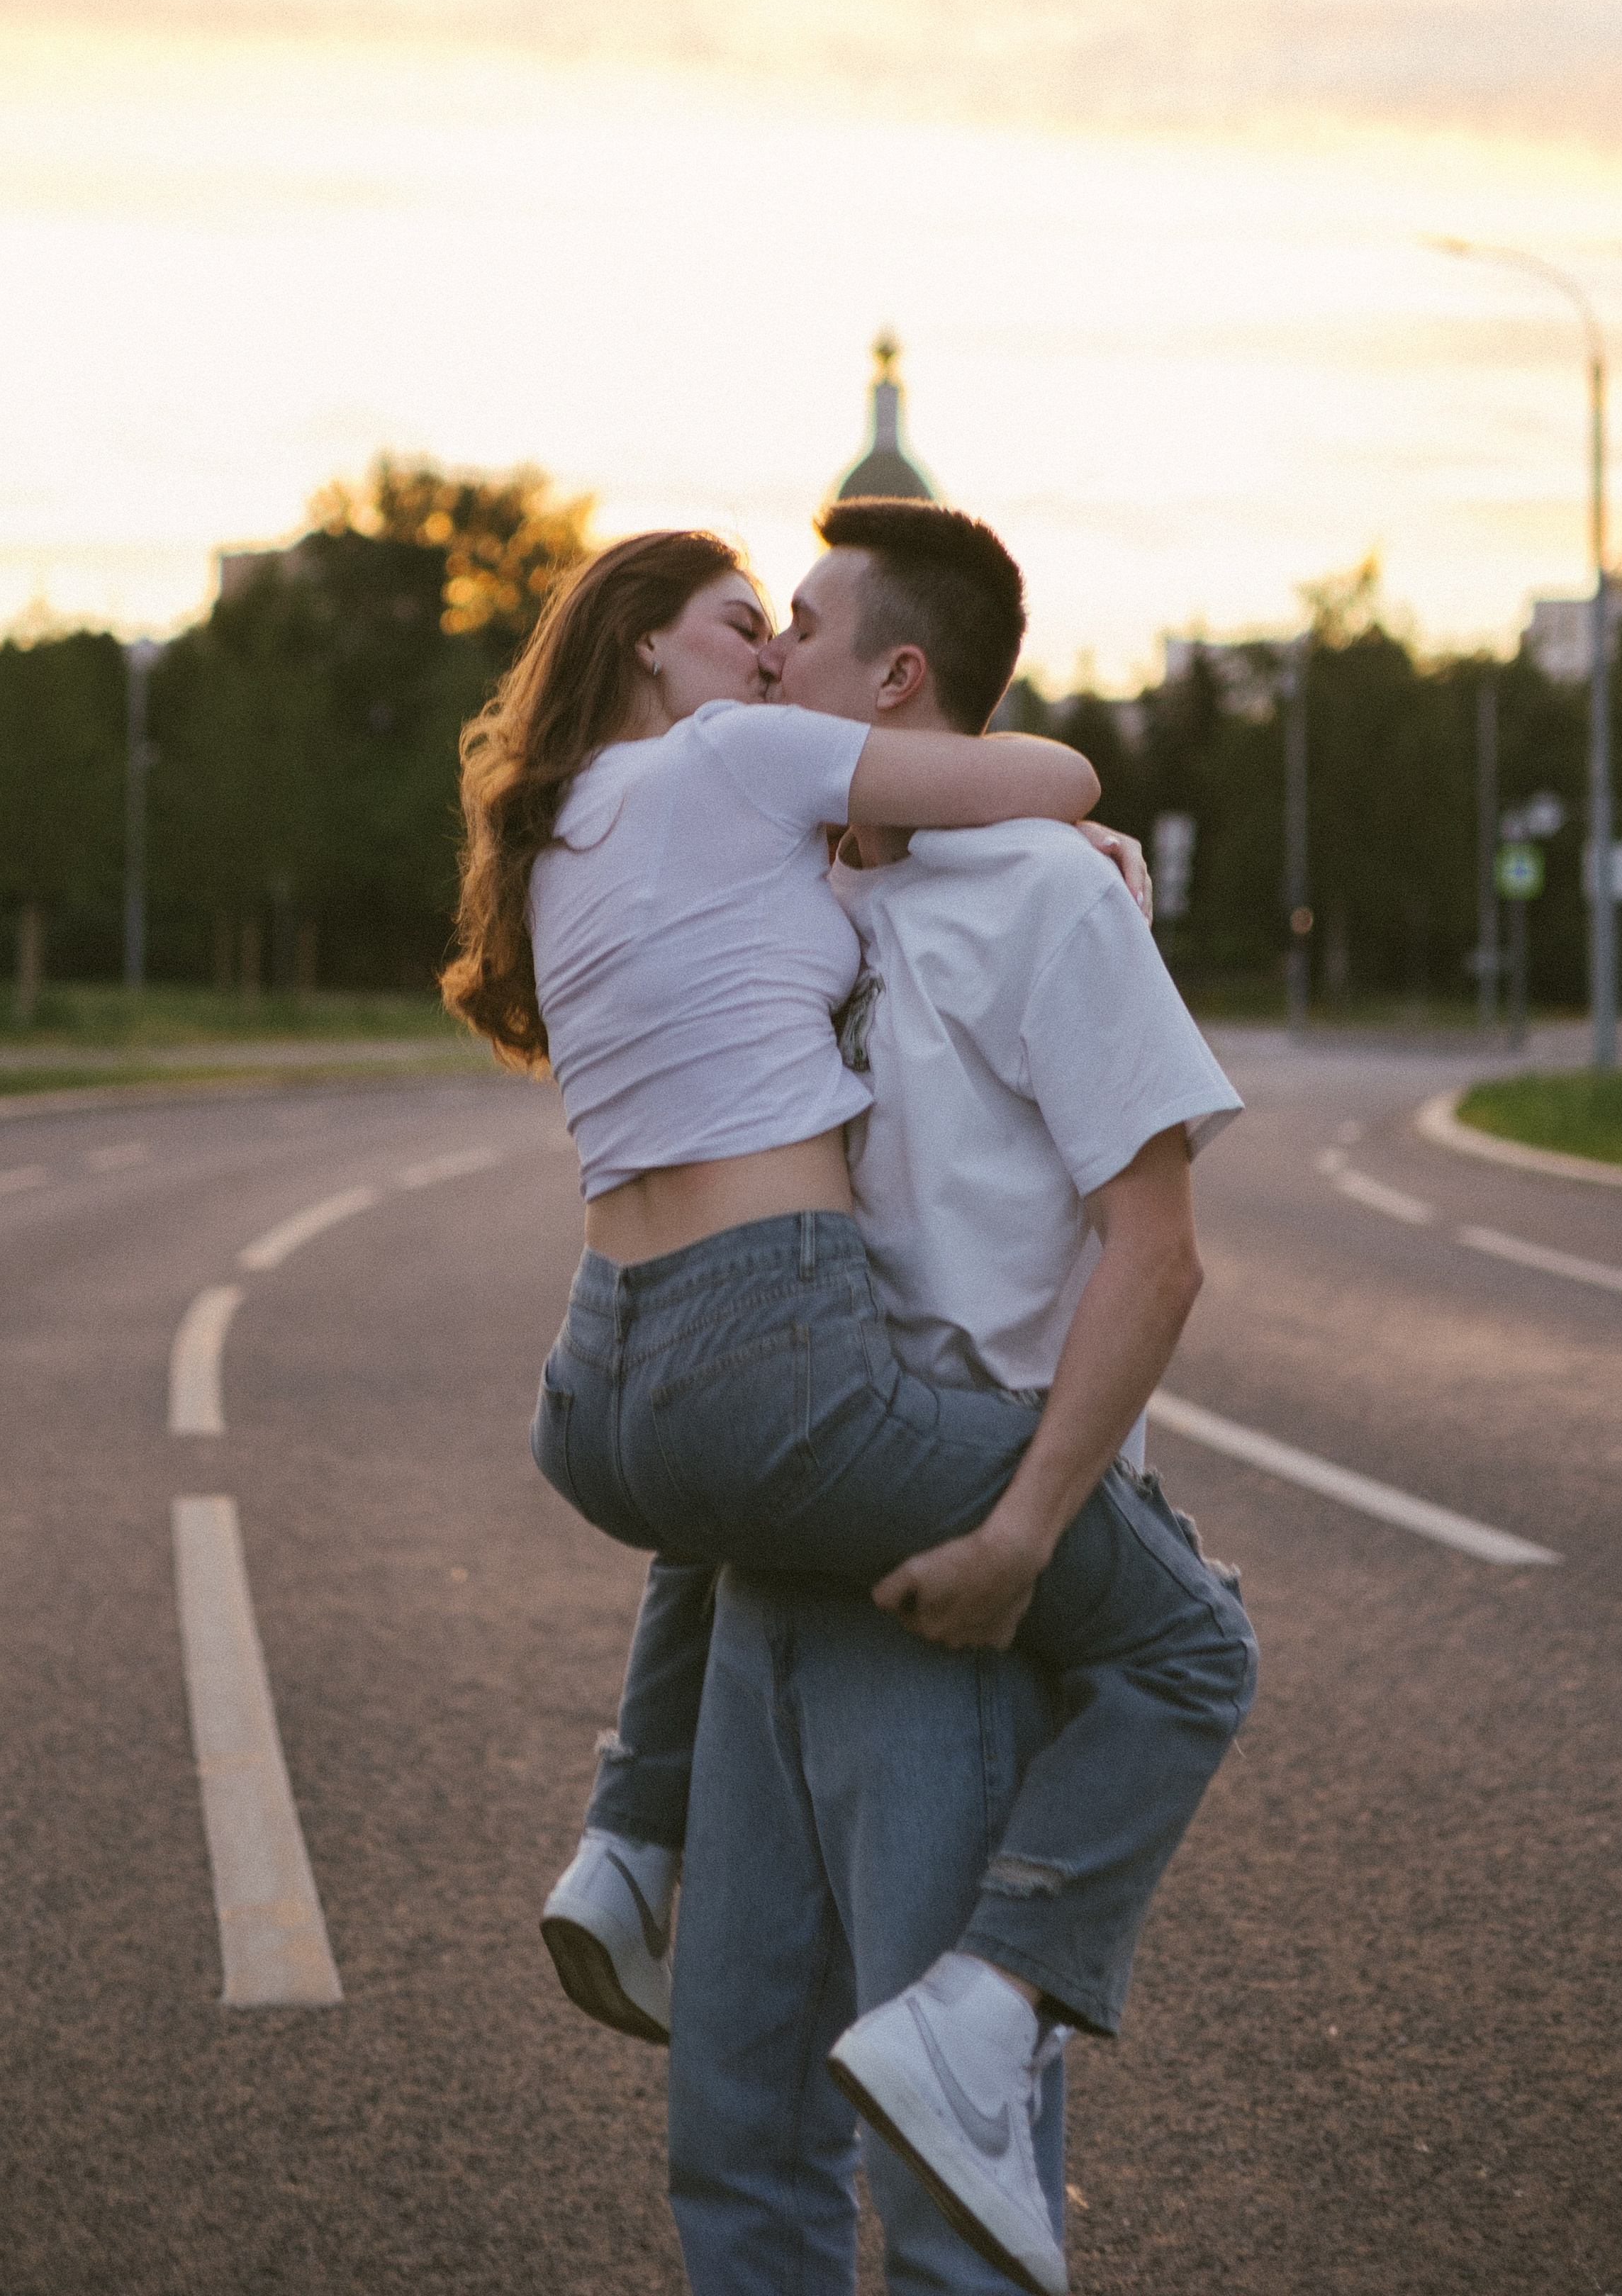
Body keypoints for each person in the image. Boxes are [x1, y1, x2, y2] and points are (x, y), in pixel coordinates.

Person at [442, 525, 1257, 2296]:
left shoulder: (1046, 897)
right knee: (734, 2138)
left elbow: (1156, 1247)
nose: (762, 658)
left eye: (791, 629)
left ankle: (683, 1857)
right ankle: (637, 1835)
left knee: (942, 2176)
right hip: (772, 1561)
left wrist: (1027, 1530)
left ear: (891, 689)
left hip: (945, 1577)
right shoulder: (802, 880)